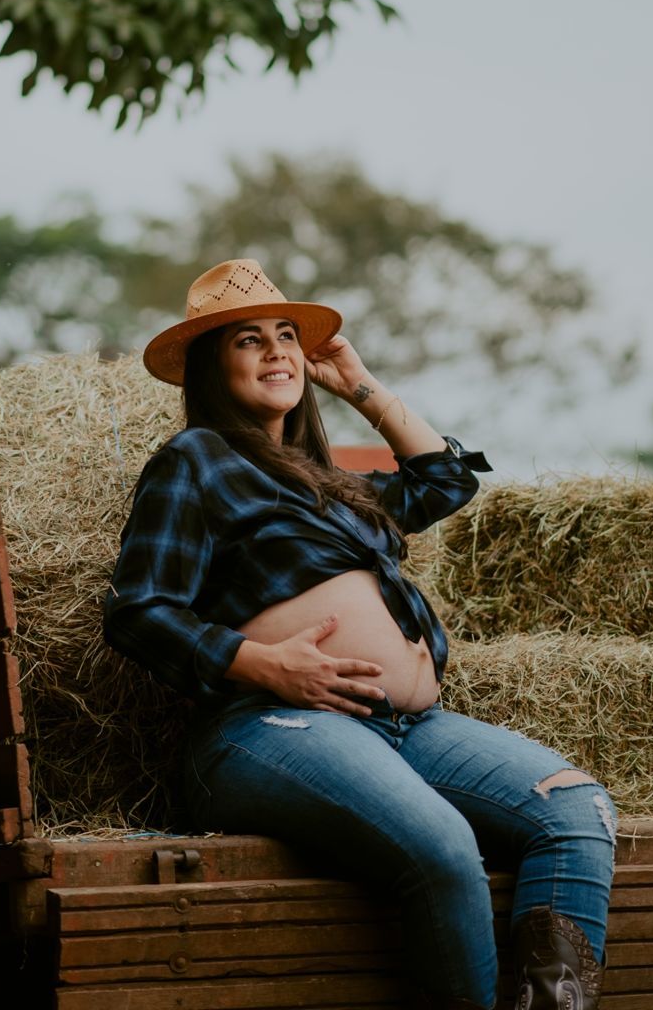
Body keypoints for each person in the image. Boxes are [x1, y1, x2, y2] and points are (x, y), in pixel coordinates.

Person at [104, 259, 616, 1010]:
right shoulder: (197, 461)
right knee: (443, 847)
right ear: (213, 366)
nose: (278, 351)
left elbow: (446, 480)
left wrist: (356, 380)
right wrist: (266, 664)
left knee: (577, 812)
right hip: (270, 729)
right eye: (250, 340)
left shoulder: (334, 486)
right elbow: (137, 610)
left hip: (409, 727)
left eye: (287, 337)